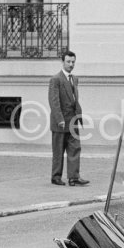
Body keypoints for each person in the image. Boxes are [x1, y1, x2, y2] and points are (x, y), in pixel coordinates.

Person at [48, 50, 89, 186]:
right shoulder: (56, 79)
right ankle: (56, 177)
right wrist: (59, 118)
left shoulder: (74, 79)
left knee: (75, 148)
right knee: (58, 151)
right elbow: (54, 101)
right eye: (68, 62)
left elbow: (74, 99)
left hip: (73, 121)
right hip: (60, 122)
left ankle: (73, 177)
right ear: (62, 62)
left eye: (73, 62)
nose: (71, 64)